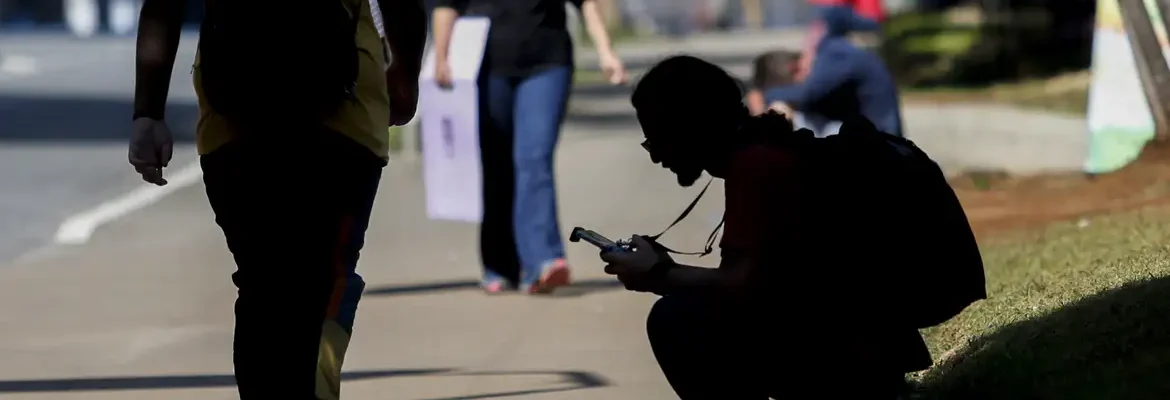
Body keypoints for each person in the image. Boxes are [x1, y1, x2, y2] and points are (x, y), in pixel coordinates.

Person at [127, 0, 426, 397]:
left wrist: (148, 113)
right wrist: (404, 77)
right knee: (324, 281)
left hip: (234, 113)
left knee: (262, 287)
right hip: (344, 116)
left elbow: (163, 5)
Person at [600, 55, 931, 399]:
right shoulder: (765, 148)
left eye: (656, 139)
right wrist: (664, 272)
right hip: (858, 342)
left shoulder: (755, 165)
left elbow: (740, 283)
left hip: (847, 354)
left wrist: (660, 273)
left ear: (689, 127)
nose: (655, 157)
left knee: (674, 319)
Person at [431, 0, 627, 294]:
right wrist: (441, 57)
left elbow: (586, 3)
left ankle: (543, 261)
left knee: (534, 158)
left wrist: (605, 50)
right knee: (497, 164)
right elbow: (447, 5)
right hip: (485, 68)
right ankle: (499, 265)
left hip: (547, 64)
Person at [774, 5, 903, 136]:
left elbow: (811, 93)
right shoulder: (846, 50)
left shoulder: (837, 52)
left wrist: (770, 95)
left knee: (798, 119)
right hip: (880, 135)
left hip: (879, 141)